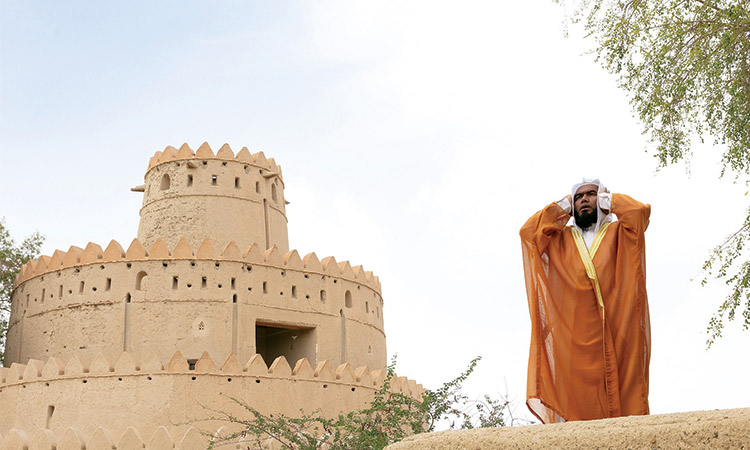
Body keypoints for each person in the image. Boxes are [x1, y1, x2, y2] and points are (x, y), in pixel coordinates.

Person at [519, 179, 651, 424]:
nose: (584, 200)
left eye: (591, 195)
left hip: (618, 330)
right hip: (575, 342)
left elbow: (638, 213)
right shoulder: (561, 240)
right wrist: (561, 207)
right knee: (577, 413)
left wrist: (610, 201)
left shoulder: (620, 232)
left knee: (625, 405)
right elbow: (528, 233)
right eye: (578, 197)